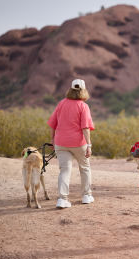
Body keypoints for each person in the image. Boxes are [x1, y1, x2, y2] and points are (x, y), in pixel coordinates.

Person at [47, 79, 95, 209]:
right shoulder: (83, 106)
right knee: (84, 168)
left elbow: (52, 124)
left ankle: (62, 199)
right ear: (83, 91)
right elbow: (85, 127)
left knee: (64, 170)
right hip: (79, 144)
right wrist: (89, 145)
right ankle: (86, 196)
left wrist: (52, 140)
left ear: (71, 89)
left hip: (61, 143)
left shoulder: (61, 103)